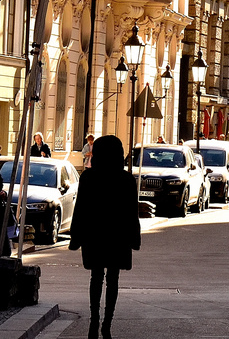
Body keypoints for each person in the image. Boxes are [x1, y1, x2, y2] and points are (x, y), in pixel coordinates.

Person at [69, 135, 141, 339]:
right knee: (113, 279)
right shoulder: (126, 179)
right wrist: (134, 238)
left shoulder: (89, 178)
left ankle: (94, 321)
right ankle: (107, 323)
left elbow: (80, 208)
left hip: (95, 235)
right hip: (118, 236)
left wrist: (76, 235)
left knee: (96, 277)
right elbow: (131, 212)